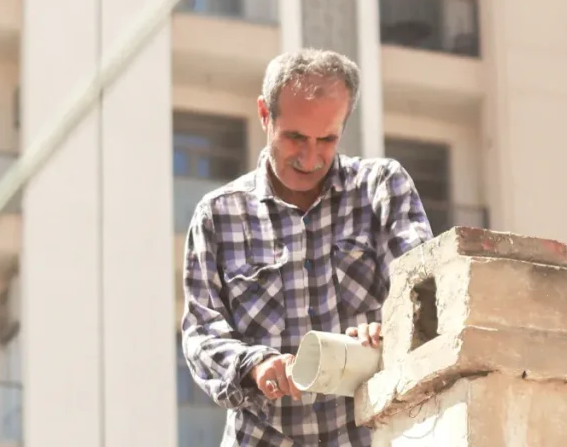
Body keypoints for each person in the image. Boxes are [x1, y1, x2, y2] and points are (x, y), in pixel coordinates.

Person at [180, 48, 434, 446]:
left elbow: (425, 288)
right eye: (295, 137)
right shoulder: (217, 215)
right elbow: (200, 331)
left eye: (327, 139)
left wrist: (390, 327)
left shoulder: (383, 188)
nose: (310, 157)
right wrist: (255, 364)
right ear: (265, 115)